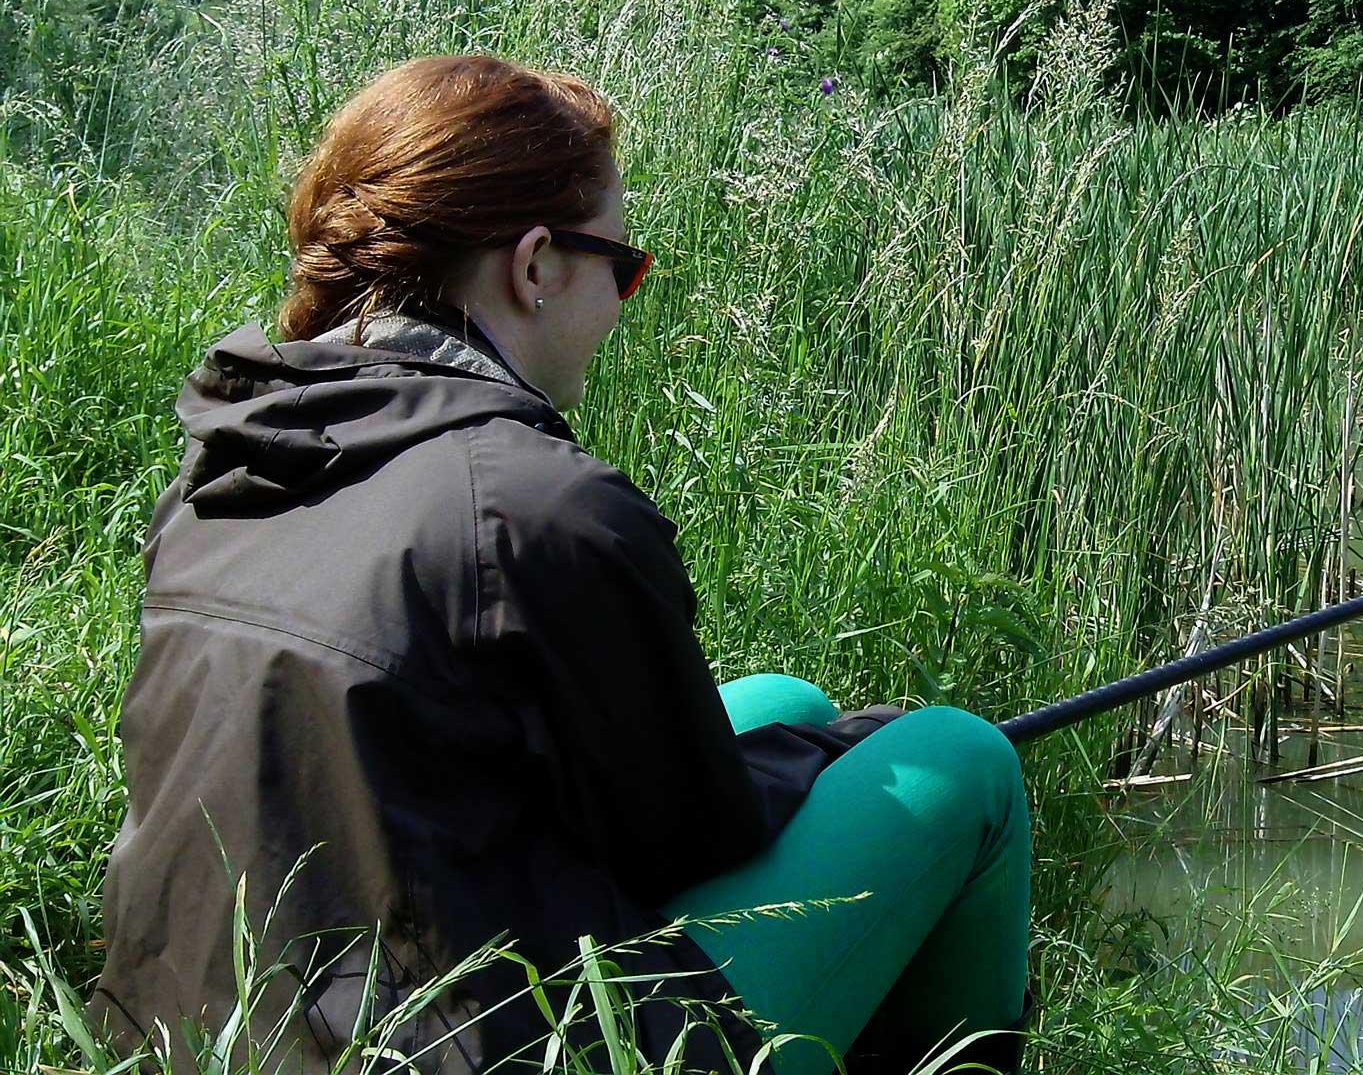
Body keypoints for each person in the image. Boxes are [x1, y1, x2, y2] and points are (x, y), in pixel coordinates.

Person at [89, 54, 1032, 1075]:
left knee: (777, 697)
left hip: (194, 1035)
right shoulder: (539, 505)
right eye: (623, 267)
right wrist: (853, 744)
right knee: (957, 760)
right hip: (440, 1049)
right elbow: (680, 839)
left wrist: (810, 737)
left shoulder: (224, 465)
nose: (624, 303)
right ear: (535, 265)